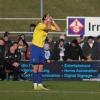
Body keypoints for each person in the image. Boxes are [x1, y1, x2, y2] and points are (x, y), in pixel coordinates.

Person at [30, 14, 61, 90]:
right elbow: (48, 27)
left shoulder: (47, 25)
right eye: (48, 17)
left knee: (41, 67)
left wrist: (53, 21)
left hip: (41, 48)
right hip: (35, 47)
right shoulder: (40, 25)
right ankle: (35, 85)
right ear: (44, 19)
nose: (50, 18)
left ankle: (40, 84)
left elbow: (58, 29)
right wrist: (49, 21)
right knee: (36, 67)